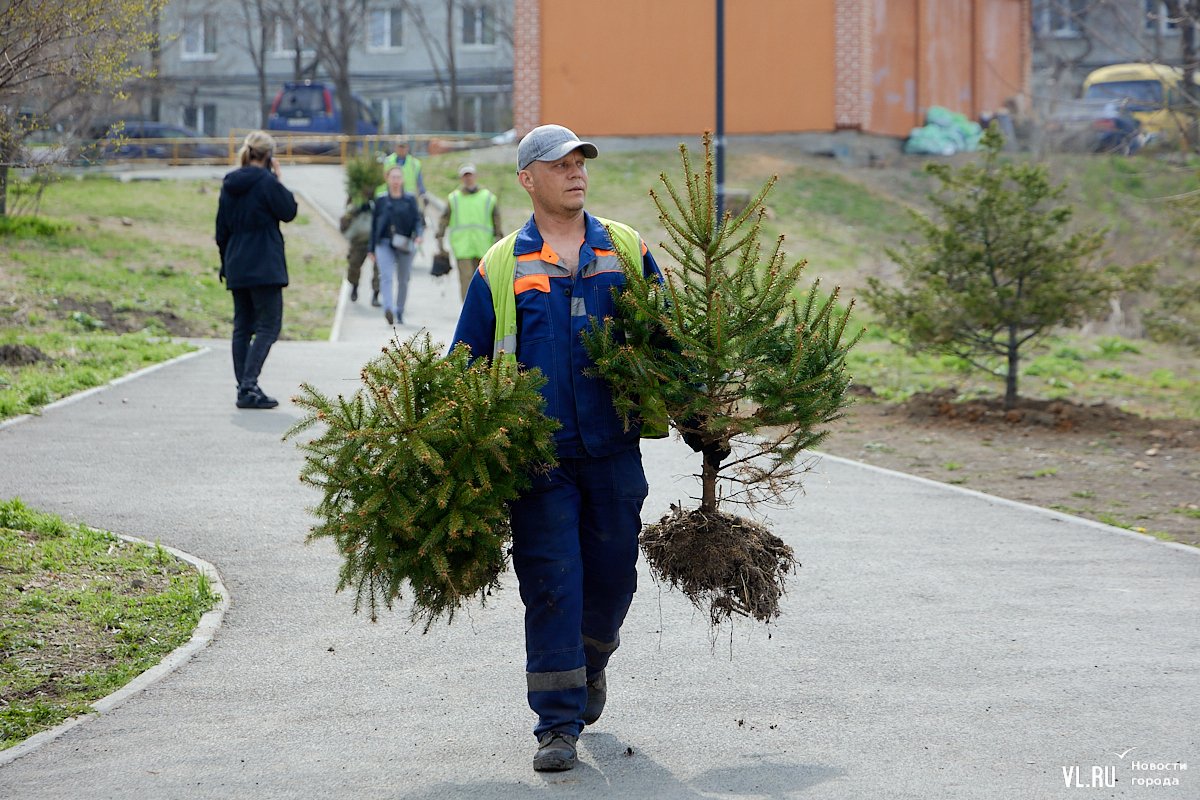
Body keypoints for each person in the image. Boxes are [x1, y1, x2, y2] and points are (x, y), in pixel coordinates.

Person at [451, 125, 663, 772]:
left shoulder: (625, 248)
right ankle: (556, 725)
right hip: (535, 460)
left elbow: (669, 342)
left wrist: (702, 409)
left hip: (613, 453)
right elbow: (465, 364)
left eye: (580, 162)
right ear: (527, 179)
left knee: (612, 581)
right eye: (559, 164)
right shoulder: (501, 265)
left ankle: (592, 660)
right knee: (550, 586)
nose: (575, 173)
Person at [215, 130, 297, 409]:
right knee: (268, 326)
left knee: (242, 327)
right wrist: (277, 179)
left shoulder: (230, 183)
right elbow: (289, 211)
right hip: (264, 263)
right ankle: (249, 385)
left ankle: (244, 388)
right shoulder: (266, 182)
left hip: (237, 261)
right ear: (268, 156)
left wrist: (226, 262)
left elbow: (221, 229)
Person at [436, 163, 503, 301]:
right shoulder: (454, 198)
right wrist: (440, 237)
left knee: (484, 282)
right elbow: (444, 218)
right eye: (465, 176)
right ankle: (469, 315)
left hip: (483, 246)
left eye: (470, 175)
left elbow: (496, 219)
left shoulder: (488, 197)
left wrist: (499, 237)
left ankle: (482, 314)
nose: (468, 178)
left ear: (475, 176)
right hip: (463, 247)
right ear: (461, 178)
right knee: (466, 280)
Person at [369, 164, 423, 325]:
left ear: (402, 180)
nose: (396, 180)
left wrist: (418, 236)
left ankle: (399, 310)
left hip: (405, 243)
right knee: (385, 276)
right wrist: (370, 248)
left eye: (398, 177)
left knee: (403, 279)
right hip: (384, 243)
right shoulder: (381, 200)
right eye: (393, 177)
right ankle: (388, 309)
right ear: (387, 179)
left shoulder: (410, 199)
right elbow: (373, 226)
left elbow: (418, 220)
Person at [340, 185, 379, 305]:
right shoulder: (355, 191)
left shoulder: (379, 191)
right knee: (354, 264)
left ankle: (376, 295)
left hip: (376, 236)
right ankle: (354, 285)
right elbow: (348, 211)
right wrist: (358, 208)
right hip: (358, 239)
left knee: (379, 269)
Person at [376, 137, 425, 201]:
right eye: (400, 147)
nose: (401, 149)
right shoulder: (387, 161)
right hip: (391, 196)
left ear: (407, 148)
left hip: (409, 198)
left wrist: (422, 194)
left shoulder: (414, 163)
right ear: (395, 147)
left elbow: (419, 181)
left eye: (403, 147)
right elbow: (381, 180)